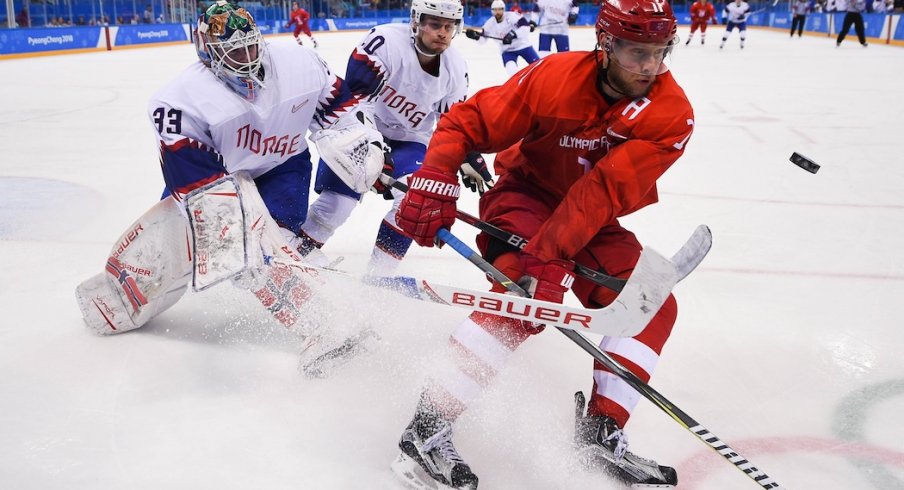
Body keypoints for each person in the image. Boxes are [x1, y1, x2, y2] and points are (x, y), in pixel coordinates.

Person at [390, 0, 695, 487]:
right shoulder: (551, 78)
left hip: (592, 219)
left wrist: (551, 257)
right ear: (606, 45)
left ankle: (602, 427)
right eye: (637, 51)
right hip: (524, 196)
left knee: (653, 303)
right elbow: (467, 122)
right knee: (521, 299)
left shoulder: (670, 114)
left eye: (660, 51)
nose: (649, 66)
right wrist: (434, 174)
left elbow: (600, 195)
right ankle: (426, 428)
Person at [75, 1, 389, 338]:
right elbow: (198, 189)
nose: (248, 59)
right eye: (235, 53)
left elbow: (341, 110)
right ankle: (128, 292)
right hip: (216, 180)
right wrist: (229, 243)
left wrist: (365, 145)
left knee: (278, 246)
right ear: (207, 52)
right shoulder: (179, 102)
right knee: (193, 244)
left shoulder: (301, 62)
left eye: (251, 46)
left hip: (283, 167)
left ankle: (324, 326)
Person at [296, 0, 483, 277]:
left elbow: (450, 123)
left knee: (413, 205)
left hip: (411, 140)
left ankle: (379, 277)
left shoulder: (456, 67)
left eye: (449, 26)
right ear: (416, 21)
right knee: (338, 203)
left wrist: (465, 154)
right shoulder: (384, 41)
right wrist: (373, 151)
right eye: (435, 24)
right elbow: (356, 102)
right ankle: (298, 254)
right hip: (358, 129)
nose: (443, 33)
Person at [464, 0, 539, 76]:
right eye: (495, 10)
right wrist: (475, 37)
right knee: (512, 72)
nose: (497, 12)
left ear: (503, 9)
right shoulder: (489, 24)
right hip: (507, 51)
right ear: (492, 11)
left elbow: (525, 28)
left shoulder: (512, 16)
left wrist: (512, 35)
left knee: (538, 67)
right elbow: (483, 40)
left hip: (523, 46)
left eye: (500, 9)